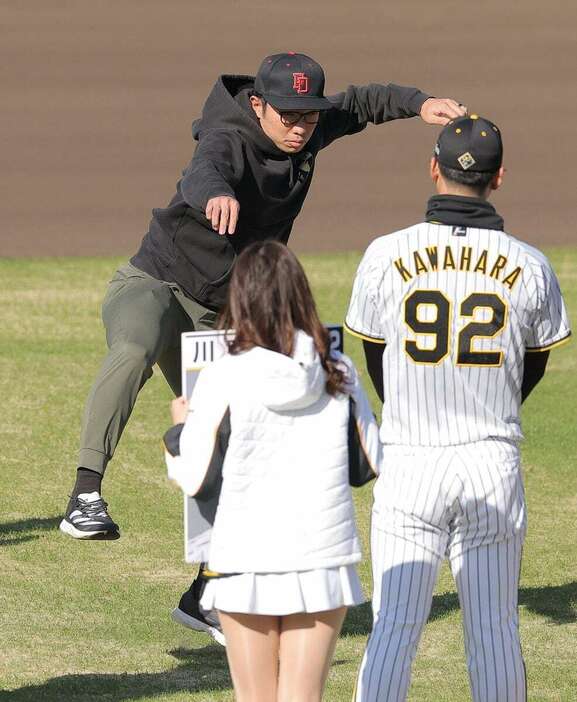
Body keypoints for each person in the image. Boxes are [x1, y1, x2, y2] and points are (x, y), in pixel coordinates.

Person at [58, 50, 464, 635]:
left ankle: (206, 591)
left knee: (237, 443)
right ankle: (84, 496)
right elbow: (204, 170)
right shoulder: (228, 135)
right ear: (258, 105)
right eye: (288, 115)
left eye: (309, 115)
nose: (301, 126)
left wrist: (419, 103)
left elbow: (365, 102)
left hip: (222, 314)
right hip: (158, 284)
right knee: (135, 344)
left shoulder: (310, 128)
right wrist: (214, 195)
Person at [344, 115, 571, 701]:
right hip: (491, 463)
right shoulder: (532, 265)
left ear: (433, 169)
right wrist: (491, 401)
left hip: (411, 462)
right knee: (494, 629)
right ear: (498, 178)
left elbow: (372, 351)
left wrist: (409, 405)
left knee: (394, 626)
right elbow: (534, 362)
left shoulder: (385, 254)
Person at [163, 241, 381, 702]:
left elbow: (194, 476)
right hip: (321, 557)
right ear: (301, 297)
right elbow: (369, 463)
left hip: (245, 557)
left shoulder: (223, 374)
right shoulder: (337, 369)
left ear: (240, 298)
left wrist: (179, 430)